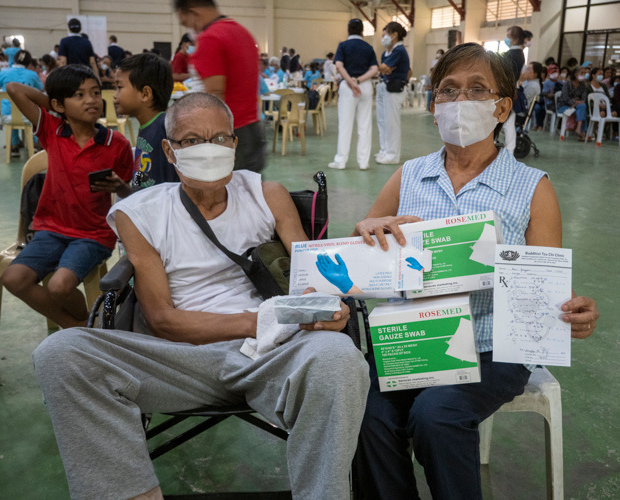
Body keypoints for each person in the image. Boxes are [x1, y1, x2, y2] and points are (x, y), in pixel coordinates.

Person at [31, 92, 369, 500]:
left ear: (234, 144)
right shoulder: (139, 212)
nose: (208, 149)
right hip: (181, 359)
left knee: (338, 356)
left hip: (271, 356)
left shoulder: (267, 194)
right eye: (191, 141)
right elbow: (163, 320)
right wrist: (262, 319)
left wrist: (322, 307)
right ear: (170, 153)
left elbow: (309, 275)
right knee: (60, 352)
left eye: (220, 138)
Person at [352, 42, 599, 500]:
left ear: (502, 108)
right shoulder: (409, 175)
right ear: (434, 106)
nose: (460, 102)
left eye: (477, 89)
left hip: (492, 345)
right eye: (448, 90)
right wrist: (368, 229)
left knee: (437, 414)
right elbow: (367, 248)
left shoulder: (532, 188)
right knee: (365, 415)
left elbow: (544, 283)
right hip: (415, 339)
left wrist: (572, 312)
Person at [1, 65, 132, 328]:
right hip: (50, 230)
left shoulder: (116, 143)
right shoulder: (52, 130)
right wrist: (55, 105)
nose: (92, 100)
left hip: (93, 235)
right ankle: (77, 325)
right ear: (59, 104)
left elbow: (130, 196)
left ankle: (81, 324)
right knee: (13, 278)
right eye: (80, 95)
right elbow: (14, 89)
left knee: (60, 287)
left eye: (95, 92)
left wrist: (119, 187)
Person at [177, 0, 265, 173]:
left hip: (227, 134)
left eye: (186, 23)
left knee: (224, 195)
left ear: (194, 13)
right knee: (249, 191)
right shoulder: (242, 32)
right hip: (252, 127)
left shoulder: (210, 38)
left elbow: (215, 93)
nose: (190, 30)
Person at [113, 53, 177, 187]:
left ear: (145, 94)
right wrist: (125, 190)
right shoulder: (146, 125)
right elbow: (142, 174)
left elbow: (173, 183)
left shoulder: (164, 126)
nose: (114, 95)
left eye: (119, 87)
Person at [329, 18, 379, 171]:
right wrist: (359, 80)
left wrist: (351, 82)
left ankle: (341, 161)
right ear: (362, 31)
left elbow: (338, 65)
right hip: (365, 86)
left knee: (345, 124)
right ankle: (363, 162)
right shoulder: (368, 47)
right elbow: (374, 69)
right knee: (365, 125)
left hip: (348, 88)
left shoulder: (343, 46)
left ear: (348, 30)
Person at [0, 50, 43, 157]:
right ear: (29, 63)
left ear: (14, 59)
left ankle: (14, 146)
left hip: (8, 115)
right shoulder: (32, 74)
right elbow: (40, 89)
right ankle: (35, 144)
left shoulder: (4, 72)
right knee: (29, 115)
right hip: (28, 115)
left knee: (11, 110)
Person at [375, 21, 411, 165]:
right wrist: (384, 69)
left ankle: (392, 154)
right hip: (384, 86)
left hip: (394, 89)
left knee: (391, 123)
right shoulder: (387, 52)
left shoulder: (399, 51)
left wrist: (383, 68)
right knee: (382, 121)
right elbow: (385, 69)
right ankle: (384, 149)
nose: (383, 38)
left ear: (394, 35)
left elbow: (384, 68)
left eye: (386, 35)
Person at [502, 26, 526, 153]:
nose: (506, 38)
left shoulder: (512, 55)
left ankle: (510, 151)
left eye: (509, 36)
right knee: (508, 121)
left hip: (507, 90)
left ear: (516, 40)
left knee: (508, 120)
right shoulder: (517, 54)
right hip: (510, 89)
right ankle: (509, 150)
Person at [558, 66, 589, 141]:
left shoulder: (582, 85)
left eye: (585, 73)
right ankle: (582, 133)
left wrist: (576, 103)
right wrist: (575, 102)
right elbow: (565, 98)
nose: (584, 75)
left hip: (577, 106)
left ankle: (579, 129)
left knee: (582, 106)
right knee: (581, 109)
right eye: (582, 73)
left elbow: (583, 99)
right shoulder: (567, 83)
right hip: (564, 106)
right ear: (575, 74)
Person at [534, 64, 558, 129]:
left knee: (542, 108)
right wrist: (553, 95)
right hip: (544, 101)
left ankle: (540, 125)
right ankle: (539, 125)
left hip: (552, 103)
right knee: (538, 108)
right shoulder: (545, 83)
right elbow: (544, 93)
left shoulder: (560, 83)